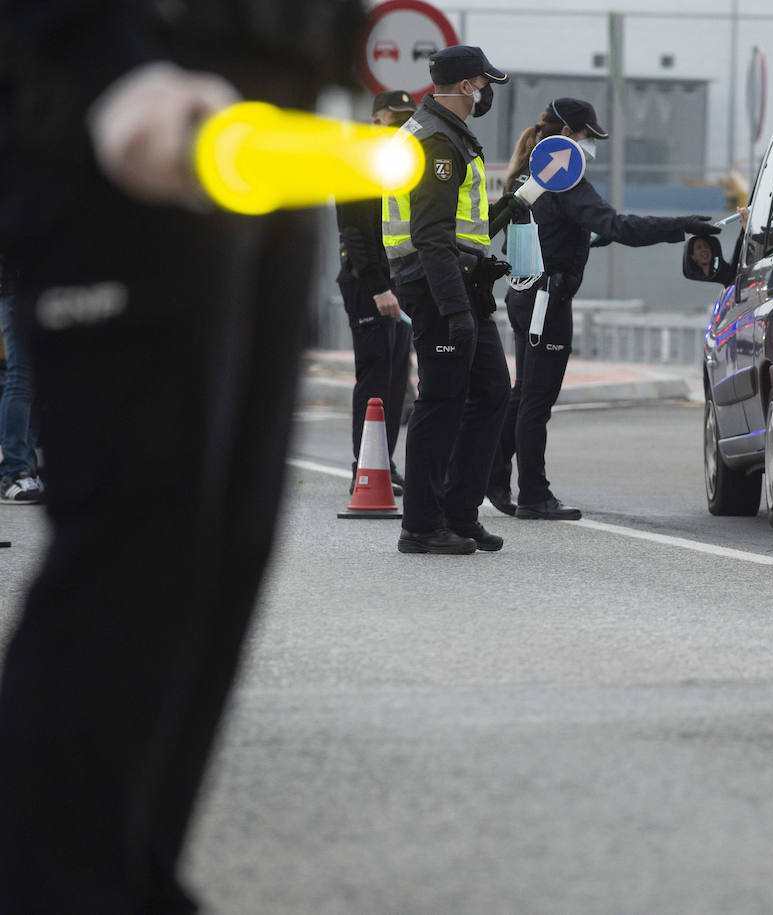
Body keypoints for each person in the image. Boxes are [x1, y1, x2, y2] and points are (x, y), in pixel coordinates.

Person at [0, 1, 366, 910]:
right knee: (138, 542)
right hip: (135, 98)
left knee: (223, 546)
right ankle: (55, 888)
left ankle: (131, 877)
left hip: (272, 110)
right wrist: (108, 63)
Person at [488, 98, 720, 521]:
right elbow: (619, 225)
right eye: (587, 136)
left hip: (523, 296)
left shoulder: (528, 176)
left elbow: (533, 236)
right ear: (567, 134)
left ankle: (495, 475)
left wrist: (580, 237)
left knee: (524, 394)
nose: (590, 145)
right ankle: (534, 495)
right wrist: (681, 225)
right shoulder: (564, 180)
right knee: (537, 400)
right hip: (547, 302)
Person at [384, 45, 526, 555]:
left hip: (461, 282)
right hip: (437, 285)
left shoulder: (448, 134)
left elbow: (462, 226)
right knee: (442, 399)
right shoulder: (437, 141)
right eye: (485, 84)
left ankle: (460, 513)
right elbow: (431, 234)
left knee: (491, 391)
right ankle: (421, 525)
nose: (487, 94)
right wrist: (453, 309)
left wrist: (506, 208)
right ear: (467, 86)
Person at [336, 90, 417, 494]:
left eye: (407, 118)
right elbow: (354, 233)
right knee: (375, 374)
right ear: (376, 120)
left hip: (398, 281)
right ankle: (364, 468)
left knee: (396, 377)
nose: (401, 125)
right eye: (394, 118)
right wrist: (378, 287)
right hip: (369, 284)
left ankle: (383, 462)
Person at [0, 254, 43, 504]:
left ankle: (26, 470)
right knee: (21, 377)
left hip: (39, 288)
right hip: (17, 287)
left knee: (34, 381)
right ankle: (14, 472)